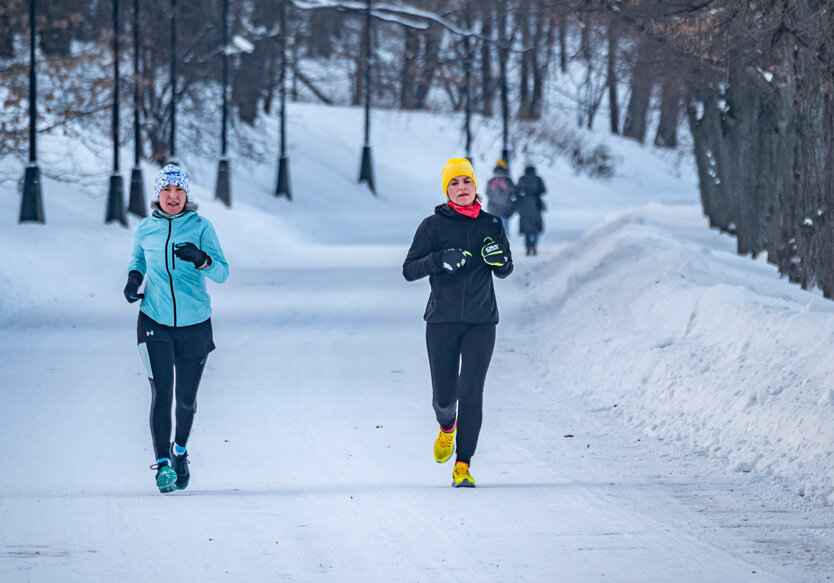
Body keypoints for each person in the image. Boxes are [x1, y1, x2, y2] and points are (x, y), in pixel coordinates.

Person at [403, 158, 513, 488]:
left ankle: (463, 464)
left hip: (482, 321)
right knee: (445, 397)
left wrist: (500, 261)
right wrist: (439, 260)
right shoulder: (432, 226)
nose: (462, 188)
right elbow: (409, 270)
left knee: (472, 392)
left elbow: (505, 268)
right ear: (446, 190)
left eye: (466, 182)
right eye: (454, 183)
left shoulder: (491, 223)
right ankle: (446, 426)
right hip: (442, 322)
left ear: (476, 186)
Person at [123, 164, 229, 493]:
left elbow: (222, 273)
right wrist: (133, 280)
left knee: (185, 400)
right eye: (167, 191)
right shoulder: (145, 228)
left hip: (195, 324)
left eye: (179, 191)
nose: (173, 197)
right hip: (153, 320)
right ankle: (163, 466)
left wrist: (201, 258)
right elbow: (138, 260)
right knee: (161, 395)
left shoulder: (201, 227)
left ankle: (179, 450)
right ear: (157, 194)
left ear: (186, 195)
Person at [514, 160, 547, 255]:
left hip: (524, 205)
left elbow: (517, 191)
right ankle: (534, 245)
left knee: (526, 227)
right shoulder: (538, 179)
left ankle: (528, 246)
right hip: (536, 204)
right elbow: (544, 190)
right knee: (536, 226)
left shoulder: (522, 179)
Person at [485, 159, 515, 233]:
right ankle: (505, 242)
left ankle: (497, 242)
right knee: (505, 229)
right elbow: (513, 192)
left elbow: (487, 193)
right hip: (506, 208)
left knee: (495, 229)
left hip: (494, 209)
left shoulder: (491, 181)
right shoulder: (508, 180)